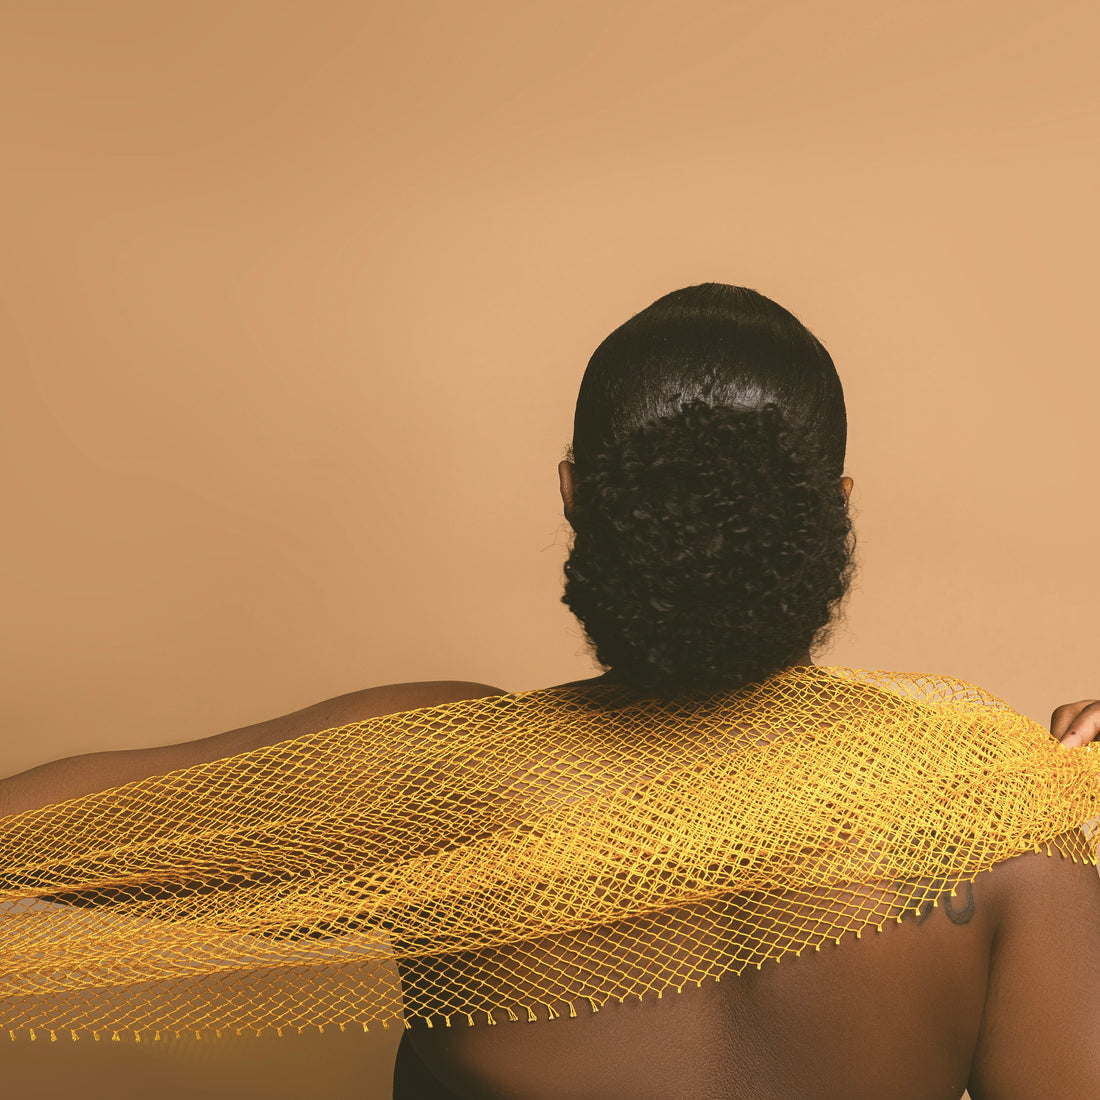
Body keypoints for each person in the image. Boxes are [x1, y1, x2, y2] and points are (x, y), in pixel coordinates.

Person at [3, 285, 1100, 1100]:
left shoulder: (436, 769)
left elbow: (31, 831)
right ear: (833, 508)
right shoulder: (1000, 819)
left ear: (577, 495)